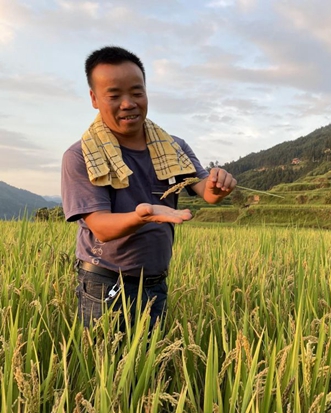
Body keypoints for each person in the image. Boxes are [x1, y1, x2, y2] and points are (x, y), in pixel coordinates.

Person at [61, 46, 236, 330]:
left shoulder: (173, 147)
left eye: (137, 92)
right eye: (114, 96)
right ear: (94, 98)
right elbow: (101, 228)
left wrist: (219, 185)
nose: (128, 103)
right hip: (106, 283)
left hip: (155, 282)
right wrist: (143, 216)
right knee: (108, 369)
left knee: (149, 368)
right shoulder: (80, 156)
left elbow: (207, 190)